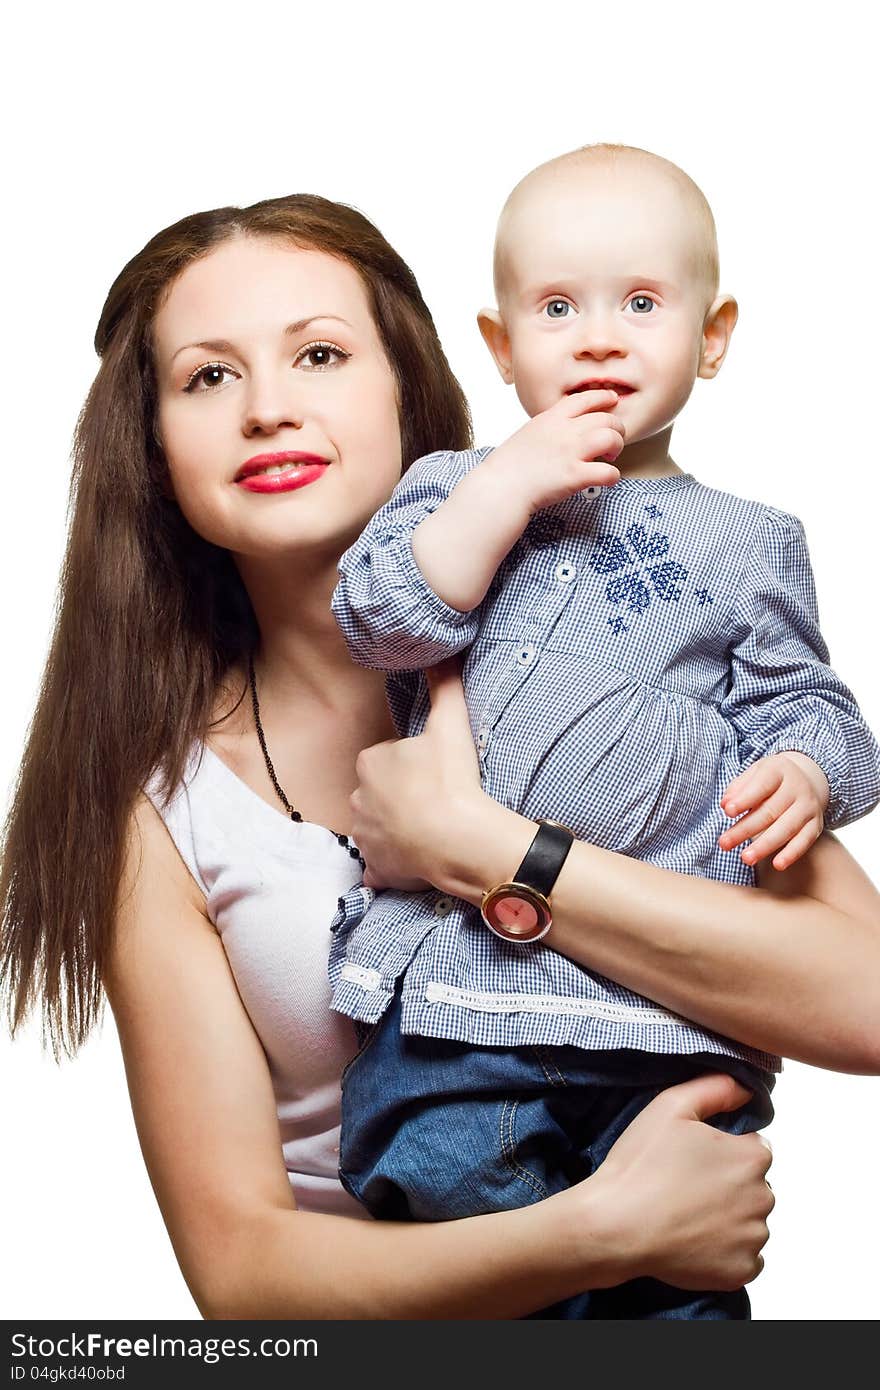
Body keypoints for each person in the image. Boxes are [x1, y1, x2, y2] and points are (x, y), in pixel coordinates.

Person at [6, 187, 878, 1320]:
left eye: (318, 354)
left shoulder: (619, 638)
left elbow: (862, 1000)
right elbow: (242, 1279)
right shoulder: (160, 809)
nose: (268, 407)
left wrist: (492, 851)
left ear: (410, 381)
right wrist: (596, 1233)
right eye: (208, 376)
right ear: (156, 445)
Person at [329, 146, 880, 1317]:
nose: (596, 337)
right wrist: (502, 486)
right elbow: (380, 618)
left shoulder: (752, 539)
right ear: (500, 347)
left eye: (641, 303)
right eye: (557, 307)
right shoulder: (449, 484)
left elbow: (811, 703)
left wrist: (803, 771)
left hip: (662, 1026)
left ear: (712, 336)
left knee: (668, 1291)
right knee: (452, 1207)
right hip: (457, 1011)